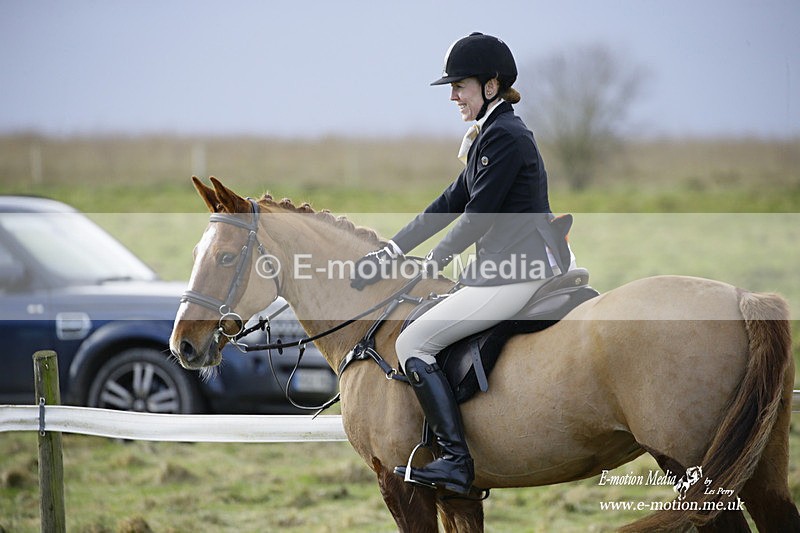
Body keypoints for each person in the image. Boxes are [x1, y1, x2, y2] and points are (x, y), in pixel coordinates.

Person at [351, 32, 576, 495]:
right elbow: (448, 202)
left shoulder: (506, 137)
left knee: (413, 341)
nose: (453, 96)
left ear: (491, 87)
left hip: (517, 274)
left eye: (461, 86)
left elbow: (476, 218)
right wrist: (392, 251)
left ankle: (455, 460)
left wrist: (430, 262)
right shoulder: (489, 135)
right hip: (507, 268)